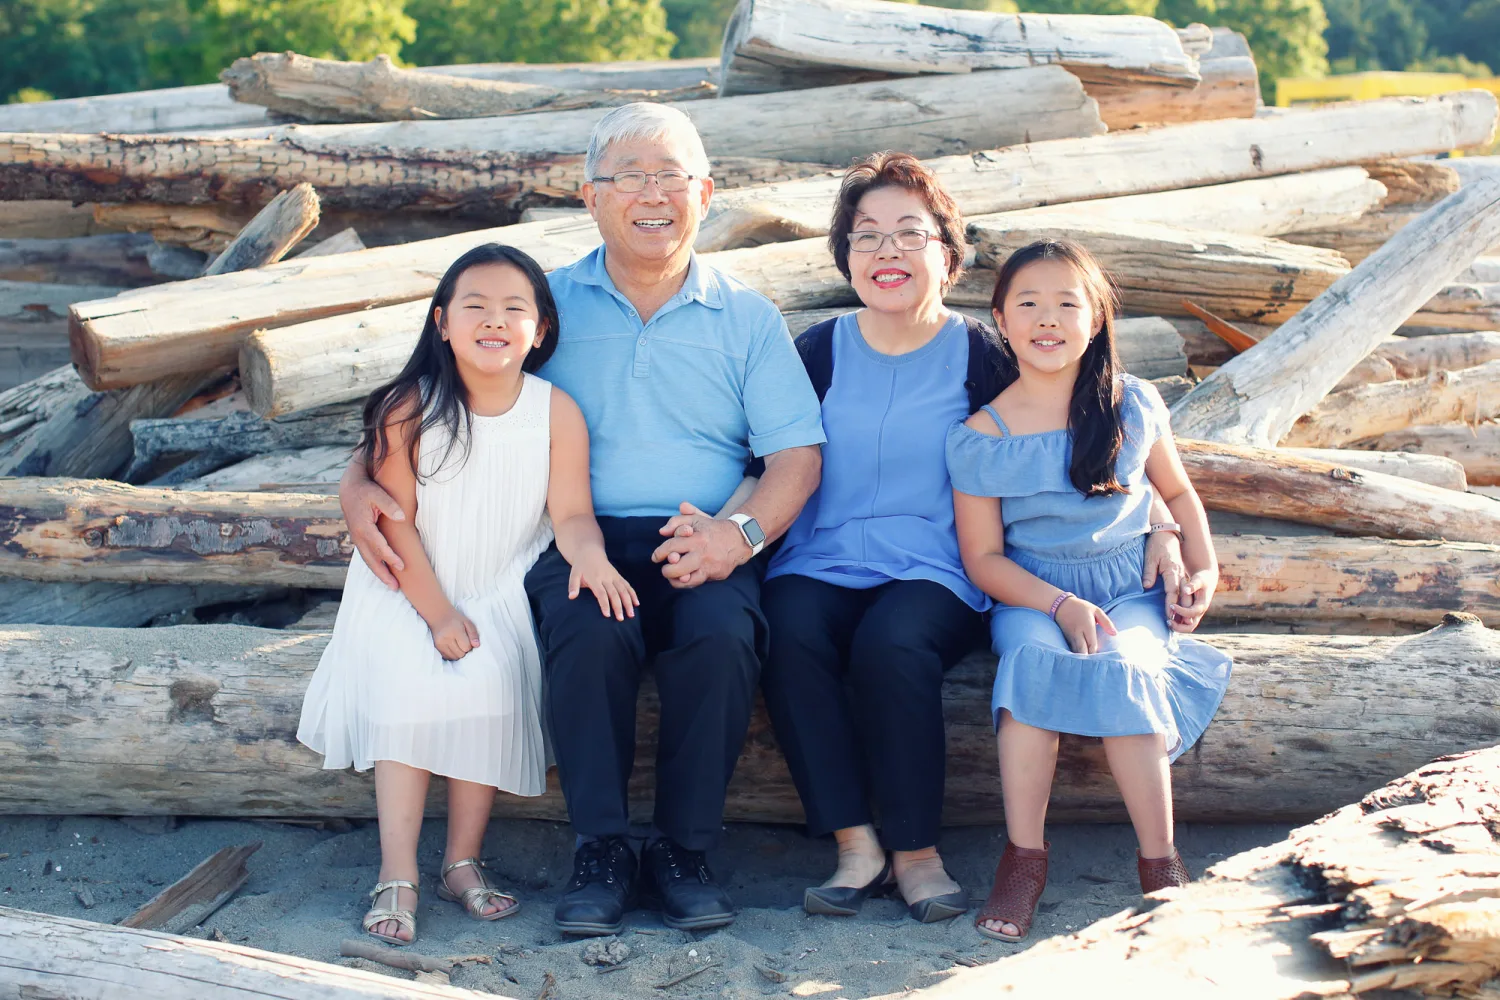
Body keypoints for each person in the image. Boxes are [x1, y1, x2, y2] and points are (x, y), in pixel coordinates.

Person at [337, 104, 825, 937]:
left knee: (720, 635)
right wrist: (356, 482)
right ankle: (600, 851)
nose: (652, 194)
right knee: (585, 626)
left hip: (700, 534)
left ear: (705, 193)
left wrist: (734, 538)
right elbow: (433, 392)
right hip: (573, 534)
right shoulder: (542, 306)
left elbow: (796, 460)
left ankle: (682, 853)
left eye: (671, 176)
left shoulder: (746, 317)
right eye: (629, 176)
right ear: (589, 197)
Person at [760, 154, 1190, 924]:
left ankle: (917, 853)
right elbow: (771, 457)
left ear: (949, 260)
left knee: (892, 646)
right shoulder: (817, 351)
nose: (887, 251)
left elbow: (1080, 442)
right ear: (845, 257)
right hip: (822, 556)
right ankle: (856, 845)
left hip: (945, 566)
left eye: (909, 234)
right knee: (787, 631)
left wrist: (1160, 520)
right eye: (866, 237)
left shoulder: (983, 356)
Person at [300, 243, 637, 946]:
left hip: (497, 583)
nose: (495, 320)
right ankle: (398, 870)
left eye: (515, 308)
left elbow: (571, 514)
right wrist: (438, 613)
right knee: (410, 687)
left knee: (489, 682)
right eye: (475, 306)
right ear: (441, 322)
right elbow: (397, 528)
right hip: (408, 585)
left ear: (541, 328)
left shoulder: (555, 411)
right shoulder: (410, 409)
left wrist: (593, 559)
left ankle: (461, 860)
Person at [945, 239, 1232, 943]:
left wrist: (1204, 569)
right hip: (1032, 594)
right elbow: (983, 558)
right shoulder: (981, 438)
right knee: (1031, 669)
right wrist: (1056, 603)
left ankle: (1160, 862)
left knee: (1127, 666)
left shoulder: (1133, 404)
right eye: (1029, 304)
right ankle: (1024, 859)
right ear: (1001, 320)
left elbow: (1179, 494)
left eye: (1068, 303)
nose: (1049, 320)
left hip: (1129, 590)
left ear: (1098, 318)